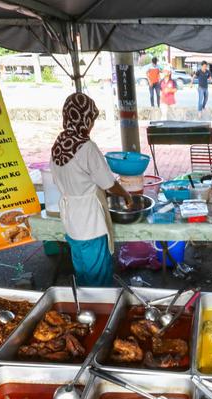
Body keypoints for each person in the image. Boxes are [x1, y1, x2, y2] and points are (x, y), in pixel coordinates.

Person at [50, 93, 133, 287]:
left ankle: (86, 310)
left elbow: (57, 179)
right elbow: (108, 184)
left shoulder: (59, 144)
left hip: (71, 221)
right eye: (91, 120)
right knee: (99, 278)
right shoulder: (86, 147)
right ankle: (101, 312)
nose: (91, 125)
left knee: (83, 274)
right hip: (90, 222)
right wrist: (126, 195)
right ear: (85, 119)